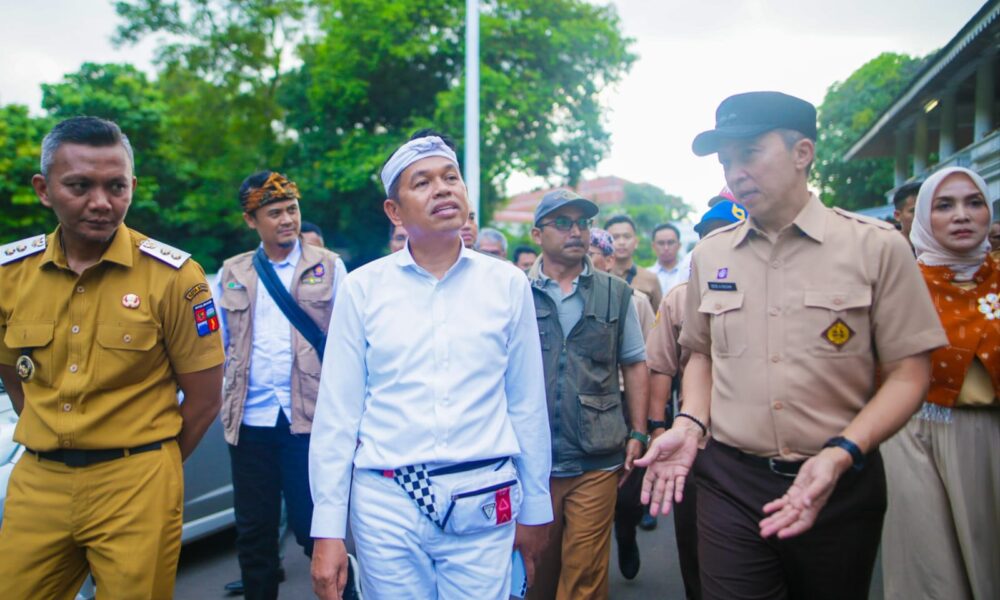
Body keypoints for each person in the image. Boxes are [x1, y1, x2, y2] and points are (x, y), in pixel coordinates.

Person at [637, 91, 947, 600]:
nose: (735, 173)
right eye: (726, 161)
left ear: (802, 153)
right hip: (729, 480)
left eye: (750, 154)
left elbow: (910, 373)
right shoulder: (712, 255)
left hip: (839, 481)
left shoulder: (877, 247)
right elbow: (702, 354)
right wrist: (690, 422)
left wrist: (844, 452)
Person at [309, 130, 553, 600]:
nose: (442, 189)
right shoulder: (363, 289)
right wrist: (328, 529)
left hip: (484, 495)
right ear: (394, 212)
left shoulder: (508, 285)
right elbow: (338, 415)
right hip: (387, 500)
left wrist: (536, 507)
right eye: (422, 182)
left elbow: (525, 404)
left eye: (451, 177)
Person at [0, 116, 225, 598]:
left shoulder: (174, 277)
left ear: (133, 186)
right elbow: (14, 377)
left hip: (136, 480)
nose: (101, 203)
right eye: (79, 186)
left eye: (116, 186)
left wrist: (151, 465)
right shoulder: (10, 273)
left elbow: (205, 397)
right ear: (44, 189)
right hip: (39, 479)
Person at [214, 171, 354, 600]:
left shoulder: (329, 266)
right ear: (250, 220)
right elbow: (218, 346)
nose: (287, 220)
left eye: (291, 209)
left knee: (317, 533)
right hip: (250, 425)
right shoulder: (231, 273)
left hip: (308, 424)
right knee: (254, 538)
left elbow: (350, 347)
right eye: (274, 213)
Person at [881, 166, 1000, 600]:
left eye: (974, 203)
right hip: (912, 438)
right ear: (923, 217)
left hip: (992, 437)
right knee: (929, 569)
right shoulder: (897, 285)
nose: (962, 215)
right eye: (944, 205)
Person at [526, 190, 650, 599]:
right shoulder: (513, 293)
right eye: (563, 223)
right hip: (532, 460)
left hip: (597, 457)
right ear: (537, 233)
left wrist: (638, 431)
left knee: (584, 578)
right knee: (536, 572)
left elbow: (633, 362)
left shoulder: (617, 292)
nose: (576, 231)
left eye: (582, 223)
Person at [643, 199, 747, 600]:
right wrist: (656, 427)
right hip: (696, 437)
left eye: (731, 233)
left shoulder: (771, 289)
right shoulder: (680, 298)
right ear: (699, 244)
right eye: (711, 235)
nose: (721, 242)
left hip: (753, 439)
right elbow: (661, 368)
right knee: (694, 534)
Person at [589, 228, 655, 336]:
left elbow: (652, 348)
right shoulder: (563, 297)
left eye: (589, 254)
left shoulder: (635, 301)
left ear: (609, 261)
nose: (581, 260)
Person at [605, 214, 662, 312]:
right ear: (605, 242)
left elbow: (658, 321)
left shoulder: (650, 279)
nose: (621, 242)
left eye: (627, 237)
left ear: (636, 242)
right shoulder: (597, 277)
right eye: (615, 237)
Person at [649, 223, 687, 296]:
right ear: (653, 246)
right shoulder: (646, 275)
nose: (666, 248)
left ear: (679, 245)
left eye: (670, 242)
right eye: (661, 243)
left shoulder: (688, 274)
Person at [892, 181, 921, 248]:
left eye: (926, 210)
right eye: (914, 211)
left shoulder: (942, 248)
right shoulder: (888, 250)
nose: (922, 216)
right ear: (897, 215)